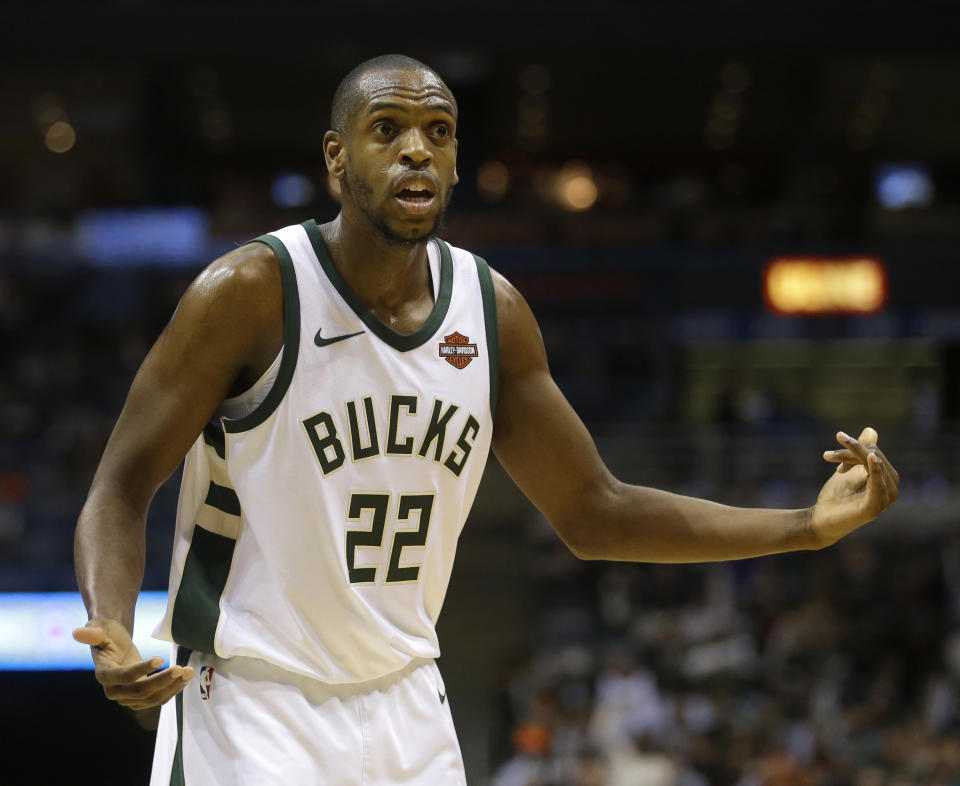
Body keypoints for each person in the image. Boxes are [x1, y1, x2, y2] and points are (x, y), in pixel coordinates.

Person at [73, 54, 900, 785]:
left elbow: (593, 511)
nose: (416, 149)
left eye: (439, 130)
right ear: (337, 157)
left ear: (458, 160)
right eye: (387, 128)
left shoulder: (491, 312)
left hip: (408, 703)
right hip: (255, 702)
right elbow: (121, 485)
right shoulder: (252, 292)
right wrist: (109, 622)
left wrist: (806, 528)